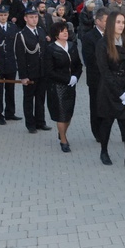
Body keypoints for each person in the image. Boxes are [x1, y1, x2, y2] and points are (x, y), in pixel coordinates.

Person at [96, 12, 125, 170]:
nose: (121, 25)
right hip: (109, 90)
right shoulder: (102, 44)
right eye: (118, 22)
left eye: (123, 22)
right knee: (107, 122)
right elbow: (105, 71)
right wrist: (119, 93)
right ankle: (104, 151)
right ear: (111, 24)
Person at [44, 21, 82, 152]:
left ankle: (62, 132)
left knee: (69, 113)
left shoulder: (72, 46)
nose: (65, 32)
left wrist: (76, 77)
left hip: (71, 85)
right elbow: (49, 71)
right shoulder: (50, 49)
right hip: (57, 86)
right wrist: (67, 79)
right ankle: (63, 140)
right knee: (61, 114)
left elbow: (78, 65)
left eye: (66, 30)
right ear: (56, 34)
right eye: (62, 31)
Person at [15, 6, 51, 134]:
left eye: (36, 17)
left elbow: (45, 52)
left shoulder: (41, 31)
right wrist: (23, 76)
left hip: (42, 72)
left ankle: (41, 122)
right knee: (29, 99)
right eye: (31, 17)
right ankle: (30, 124)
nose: (34, 20)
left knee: (41, 98)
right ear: (25, 19)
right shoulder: (21, 35)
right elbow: (20, 58)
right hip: (30, 73)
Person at [0, 6, 21, 125]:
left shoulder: (13, 27)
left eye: (5, 15)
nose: (3, 17)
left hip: (10, 63)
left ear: (8, 15)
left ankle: (10, 113)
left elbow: (16, 44)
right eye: (1, 15)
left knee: (10, 89)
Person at [82, 7, 109, 142]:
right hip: (96, 78)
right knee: (96, 105)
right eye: (106, 21)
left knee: (108, 105)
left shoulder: (112, 35)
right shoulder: (89, 37)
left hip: (111, 78)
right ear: (98, 21)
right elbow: (90, 60)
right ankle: (97, 132)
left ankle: (107, 129)